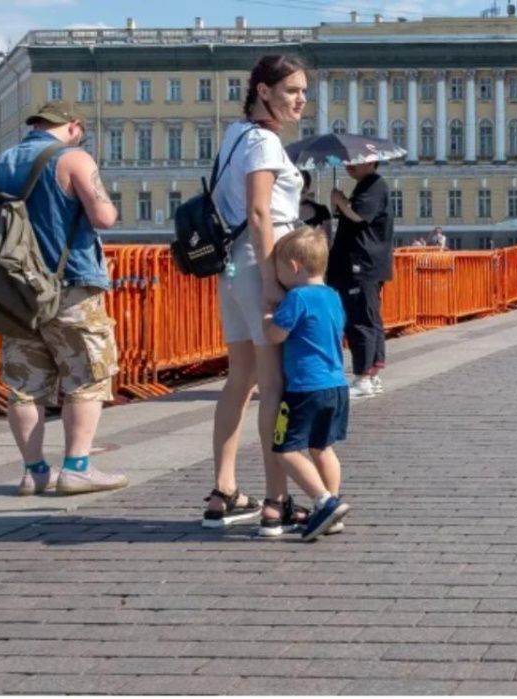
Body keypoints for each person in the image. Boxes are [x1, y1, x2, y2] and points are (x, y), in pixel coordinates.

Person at [0, 101, 125, 497]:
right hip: (71, 284)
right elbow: (103, 217)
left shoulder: (2, 162)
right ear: (73, 126)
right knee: (86, 376)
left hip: (17, 291)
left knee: (24, 385)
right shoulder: (74, 158)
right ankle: (77, 468)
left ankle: (33, 472)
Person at [207, 54, 308, 535]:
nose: (301, 100)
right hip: (259, 265)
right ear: (263, 91)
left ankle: (224, 491)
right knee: (273, 385)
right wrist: (272, 279)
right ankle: (276, 501)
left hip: (232, 269)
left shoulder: (234, 136)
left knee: (239, 379)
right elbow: (261, 213)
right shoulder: (265, 141)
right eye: (291, 90)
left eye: (304, 91)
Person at [263, 227, 351, 541]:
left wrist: (269, 319)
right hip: (336, 385)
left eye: (278, 270)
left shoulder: (297, 297)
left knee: (284, 451)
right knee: (322, 448)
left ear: (294, 267)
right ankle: (333, 506)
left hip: (304, 389)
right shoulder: (333, 296)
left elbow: (276, 336)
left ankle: (324, 501)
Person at [328, 158, 392, 400]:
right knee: (370, 317)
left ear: (372, 163)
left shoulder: (373, 185)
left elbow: (358, 215)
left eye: (355, 161)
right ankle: (373, 373)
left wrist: (340, 200)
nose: (349, 165)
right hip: (366, 264)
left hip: (361, 264)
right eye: (347, 161)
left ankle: (363, 376)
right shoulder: (368, 185)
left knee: (360, 319)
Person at [298, 170, 332, 237]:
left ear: (307, 189)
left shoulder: (322, 211)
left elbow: (327, 241)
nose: (298, 195)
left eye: (302, 191)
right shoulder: (284, 212)